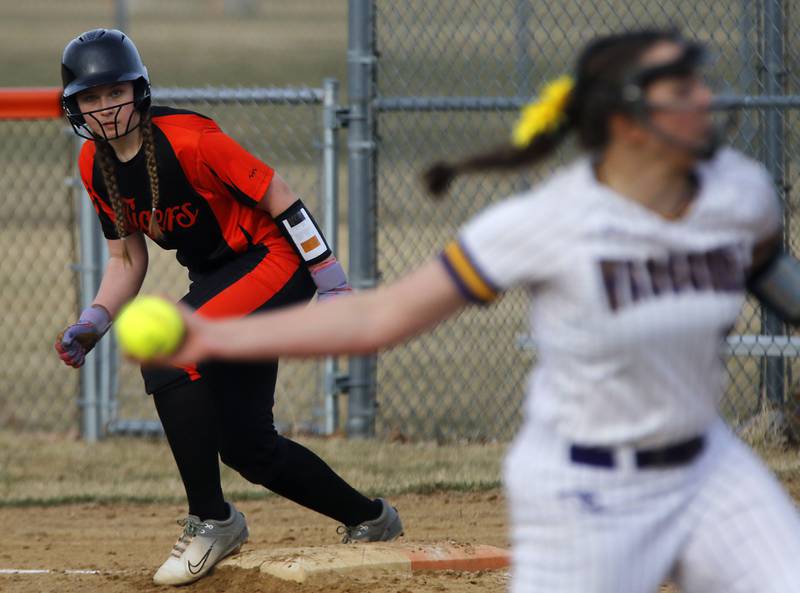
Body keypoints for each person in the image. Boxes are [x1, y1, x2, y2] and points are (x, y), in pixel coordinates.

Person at [151, 28, 800, 593]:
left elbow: (776, 280)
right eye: (679, 88)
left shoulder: (737, 193)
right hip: (589, 490)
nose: (705, 97)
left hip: (710, 467)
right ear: (627, 120)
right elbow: (379, 318)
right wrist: (208, 333)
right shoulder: (547, 221)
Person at [54, 29, 402, 587]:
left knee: (167, 354)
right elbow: (125, 260)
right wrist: (94, 320)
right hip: (222, 277)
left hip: (275, 260)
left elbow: (281, 198)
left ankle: (212, 520)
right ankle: (371, 518)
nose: (105, 108)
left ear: (139, 91)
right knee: (247, 446)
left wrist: (332, 282)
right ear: (74, 108)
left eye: (114, 92)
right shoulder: (93, 165)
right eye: (90, 98)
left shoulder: (190, 139)